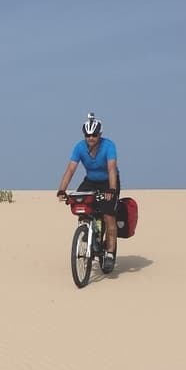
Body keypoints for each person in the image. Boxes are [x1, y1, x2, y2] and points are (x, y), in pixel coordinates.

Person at [56, 112, 121, 272]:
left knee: (108, 215)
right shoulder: (79, 147)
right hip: (91, 181)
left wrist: (112, 190)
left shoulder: (109, 146)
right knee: (81, 207)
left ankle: (110, 253)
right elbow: (71, 169)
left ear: (100, 135)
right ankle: (86, 234)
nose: (91, 138)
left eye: (94, 135)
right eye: (88, 135)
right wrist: (61, 190)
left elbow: (112, 169)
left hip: (108, 181)